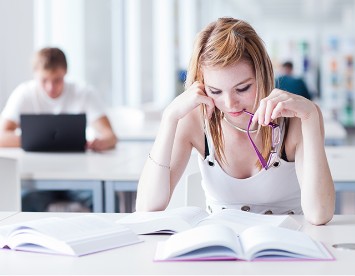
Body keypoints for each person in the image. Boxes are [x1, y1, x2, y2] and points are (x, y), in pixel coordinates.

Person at [136, 17, 335, 225]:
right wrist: (170, 118)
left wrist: (311, 116)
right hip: (221, 247)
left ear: (262, 75)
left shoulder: (297, 119)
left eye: (243, 88)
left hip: (287, 246)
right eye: (215, 91)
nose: (230, 103)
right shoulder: (193, 121)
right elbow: (147, 207)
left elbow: (319, 214)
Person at [0, 47, 117, 211]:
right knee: (24, 202)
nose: (50, 87)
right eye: (44, 80)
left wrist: (103, 142)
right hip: (38, 179)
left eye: (57, 80)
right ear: (35, 74)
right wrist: (36, 139)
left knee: (108, 201)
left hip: (80, 177)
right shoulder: (23, 94)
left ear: (65, 73)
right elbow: (2, 136)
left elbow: (110, 136)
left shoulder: (83, 93)